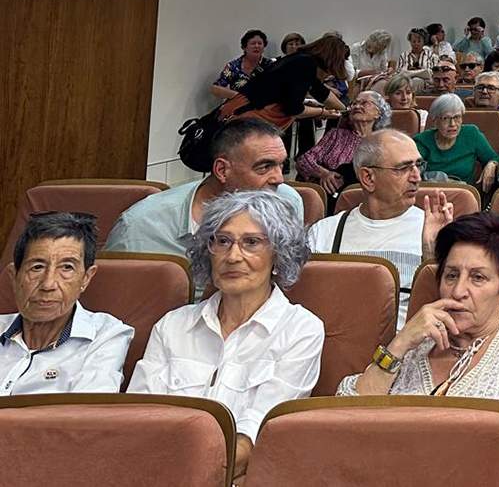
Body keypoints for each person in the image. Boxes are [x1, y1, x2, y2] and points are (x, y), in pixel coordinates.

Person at [338, 212, 499, 472]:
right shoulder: (416, 340)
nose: (457, 292)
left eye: (478, 278)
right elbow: (343, 417)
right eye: (451, 275)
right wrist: (399, 345)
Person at [129, 191, 323, 481]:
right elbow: (137, 420)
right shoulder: (172, 325)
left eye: (252, 243)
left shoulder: (301, 330)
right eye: (222, 241)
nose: (233, 256)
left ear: (279, 254)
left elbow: (257, 435)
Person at [307, 130, 452, 322]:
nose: (417, 177)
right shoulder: (325, 233)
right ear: (368, 178)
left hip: (410, 345)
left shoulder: (435, 229)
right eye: (403, 168)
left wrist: (433, 255)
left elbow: (449, 310)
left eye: (418, 165)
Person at [108, 119, 304, 261]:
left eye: (281, 165)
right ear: (222, 170)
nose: (279, 178)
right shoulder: (140, 226)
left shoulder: (287, 201)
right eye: (264, 167)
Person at [1, 212, 133, 395]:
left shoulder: (106, 336)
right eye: (37, 267)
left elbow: (83, 417)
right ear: (14, 277)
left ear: (86, 278)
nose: (48, 284)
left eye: (67, 268)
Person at [217, 33, 348, 131]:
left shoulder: (302, 61)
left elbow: (321, 92)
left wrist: (345, 110)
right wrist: (323, 112)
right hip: (247, 114)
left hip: (247, 112)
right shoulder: (305, 64)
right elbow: (294, 109)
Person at [295, 89, 392, 199]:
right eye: (354, 103)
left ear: (378, 113)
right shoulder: (336, 135)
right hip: (332, 195)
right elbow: (303, 160)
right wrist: (324, 173)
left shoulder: (384, 142)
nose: (357, 106)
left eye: (364, 103)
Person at [415, 94, 499, 193]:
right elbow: (411, 169)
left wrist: (492, 164)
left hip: (463, 195)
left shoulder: (471, 134)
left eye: (457, 117)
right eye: (445, 118)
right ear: (435, 120)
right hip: (431, 193)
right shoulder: (422, 140)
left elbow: (494, 158)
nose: (452, 124)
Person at [210, 29, 271, 100]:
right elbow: (215, 88)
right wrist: (239, 97)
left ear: (264, 47)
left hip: (264, 106)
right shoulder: (233, 66)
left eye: (260, 43)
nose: (257, 46)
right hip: (239, 105)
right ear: (244, 47)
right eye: (253, 43)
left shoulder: (270, 65)